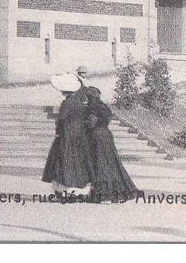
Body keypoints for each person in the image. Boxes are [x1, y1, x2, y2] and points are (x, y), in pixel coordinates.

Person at [42, 72, 93, 201]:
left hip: (67, 134)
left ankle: (65, 189)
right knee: (77, 160)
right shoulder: (80, 101)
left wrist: (58, 130)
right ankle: (79, 189)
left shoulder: (67, 103)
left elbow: (62, 119)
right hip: (79, 133)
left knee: (63, 160)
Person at [86, 87, 140, 203]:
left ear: (90, 97)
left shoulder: (92, 107)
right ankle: (120, 192)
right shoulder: (103, 106)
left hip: (97, 136)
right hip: (106, 135)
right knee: (112, 163)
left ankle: (102, 194)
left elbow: (91, 123)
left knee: (100, 163)